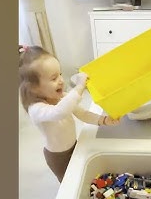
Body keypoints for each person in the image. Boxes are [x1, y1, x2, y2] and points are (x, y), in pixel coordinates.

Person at [19, 45, 120, 183]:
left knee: (79, 176)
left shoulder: (61, 98)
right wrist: (78, 88)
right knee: (68, 183)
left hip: (74, 145)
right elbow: (59, 112)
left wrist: (103, 120)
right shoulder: (36, 109)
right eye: (54, 78)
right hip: (57, 157)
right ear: (34, 88)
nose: (61, 80)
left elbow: (82, 113)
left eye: (60, 74)